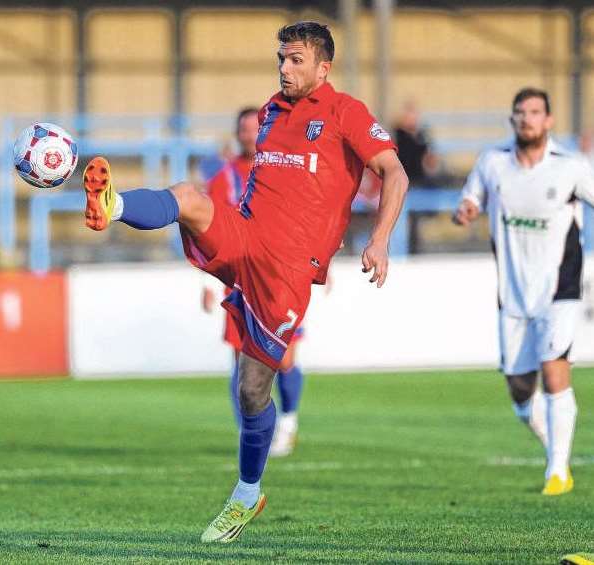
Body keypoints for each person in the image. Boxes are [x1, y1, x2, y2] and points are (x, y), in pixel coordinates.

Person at [82, 21, 408, 542]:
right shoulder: (270, 113)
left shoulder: (346, 112)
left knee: (252, 389)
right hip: (246, 234)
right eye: (281, 58)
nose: (285, 68)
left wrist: (381, 239)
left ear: (323, 67)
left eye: (296, 59)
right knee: (188, 197)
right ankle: (111, 204)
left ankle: (246, 493)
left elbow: (395, 173)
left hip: (287, 270)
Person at [453, 87, 594, 496]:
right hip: (512, 295)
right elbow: (469, 198)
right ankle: (557, 449)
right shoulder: (493, 163)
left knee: (554, 370)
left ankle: (557, 472)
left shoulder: (571, 167)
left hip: (559, 289)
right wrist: (466, 209)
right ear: (512, 119)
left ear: (548, 121)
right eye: (520, 112)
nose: (527, 119)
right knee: (519, 389)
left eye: (535, 112)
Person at [201, 107, 307, 457]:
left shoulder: (285, 170)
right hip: (239, 280)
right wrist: (204, 281)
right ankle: (251, 435)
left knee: (285, 357)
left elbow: (304, 218)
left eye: (255, 128)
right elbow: (202, 229)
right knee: (241, 361)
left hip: (281, 276)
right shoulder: (224, 179)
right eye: (244, 129)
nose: (250, 135)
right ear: (237, 134)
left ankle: (288, 421)